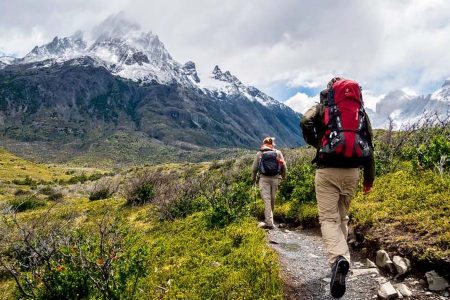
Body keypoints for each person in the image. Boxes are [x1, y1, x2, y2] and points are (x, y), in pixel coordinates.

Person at [301, 77, 375, 298]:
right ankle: (343, 258)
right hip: (352, 172)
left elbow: (305, 120)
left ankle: (338, 260)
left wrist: (317, 142)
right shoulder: (359, 111)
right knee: (342, 217)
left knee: (328, 219)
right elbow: (369, 143)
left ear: (330, 89)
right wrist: (368, 180)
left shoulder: (324, 106)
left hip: (327, 170)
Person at [251, 137, 287, 229]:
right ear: (272, 144)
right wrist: (284, 178)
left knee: (266, 200)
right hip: (275, 179)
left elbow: (254, 169)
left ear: (264, 143)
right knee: (272, 199)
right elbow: (284, 166)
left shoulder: (260, 153)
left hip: (263, 179)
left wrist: (253, 180)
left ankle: (269, 222)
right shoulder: (278, 153)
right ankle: (270, 220)